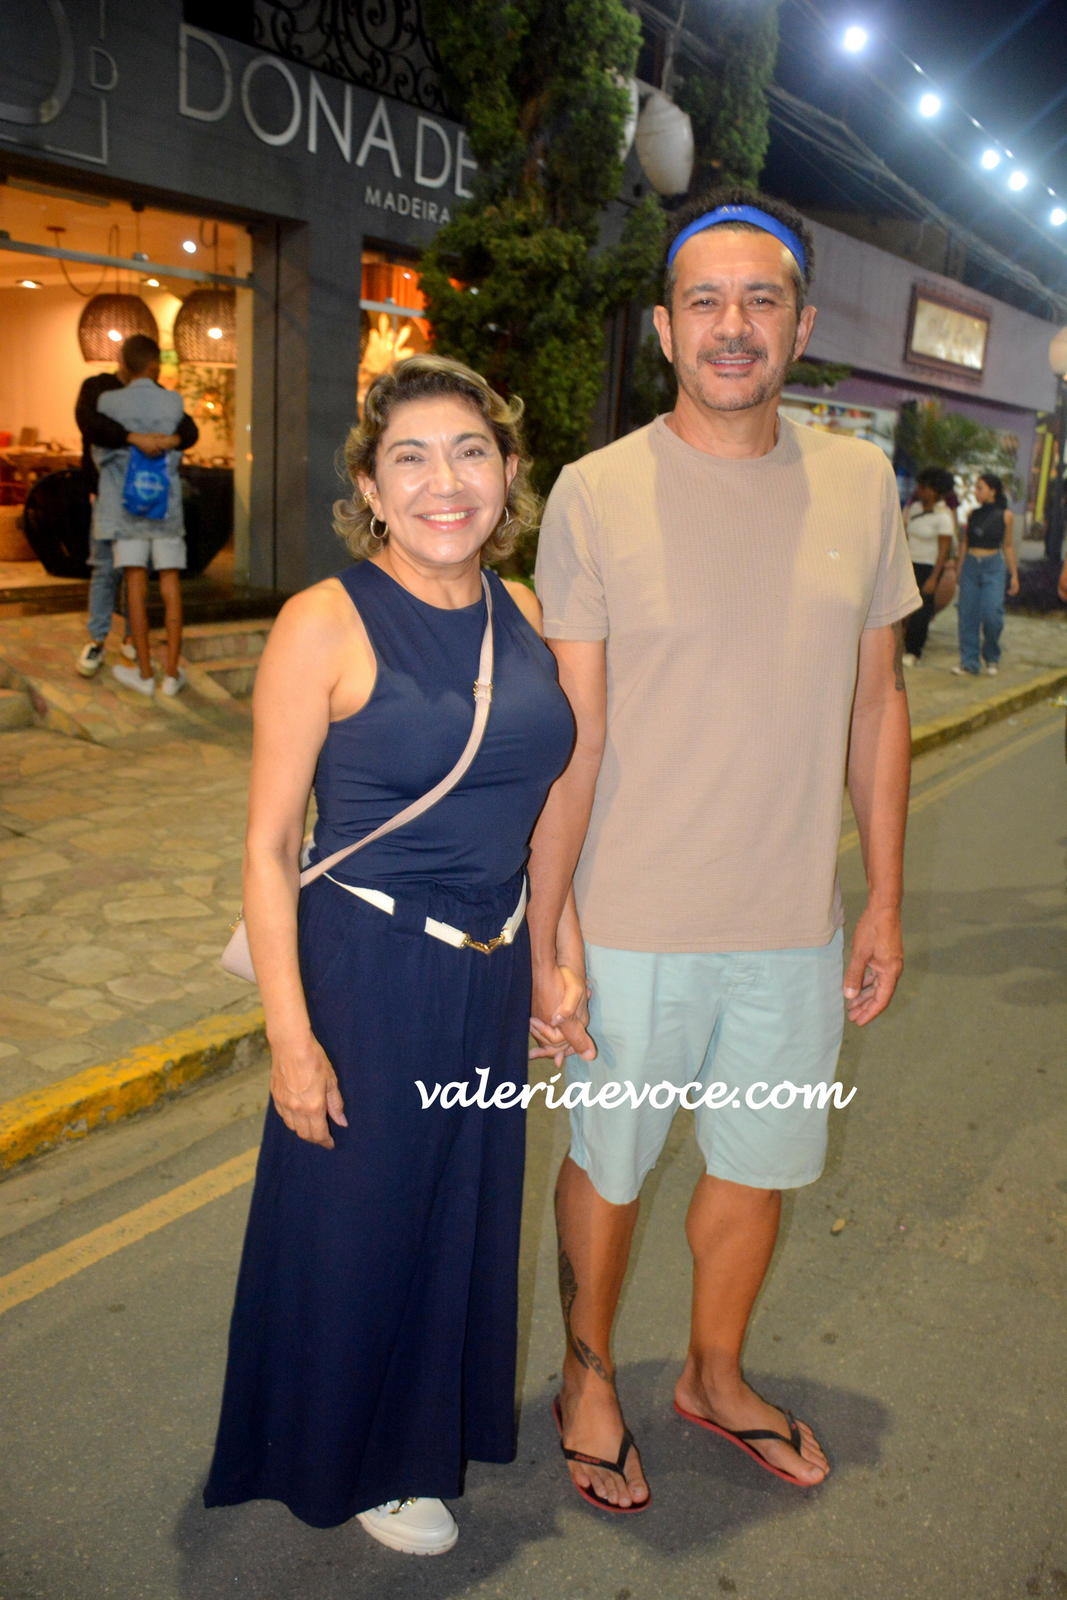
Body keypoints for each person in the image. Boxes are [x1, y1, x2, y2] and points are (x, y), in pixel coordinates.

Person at [528, 186, 920, 1511]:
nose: (732, 324)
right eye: (704, 301)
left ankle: (710, 1373)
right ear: (663, 327)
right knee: (610, 1165)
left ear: (800, 326)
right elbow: (571, 731)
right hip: (628, 921)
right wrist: (552, 928)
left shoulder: (859, 484)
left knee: (757, 1171)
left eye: (761, 299)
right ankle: (587, 1377)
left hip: (792, 924)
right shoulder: (593, 492)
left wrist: (881, 901)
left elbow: (876, 704)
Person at [203, 355, 576, 1555]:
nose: (442, 482)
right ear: (368, 485)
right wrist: (290, 1036)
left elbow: (531, 806)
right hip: (368, 971)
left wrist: (550, 954)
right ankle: (348, 1457)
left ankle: (420, 1434)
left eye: (468, 452)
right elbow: (270, 846)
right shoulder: (324, 620)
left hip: (489, 966)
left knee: (460, 1210)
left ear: (507, 472)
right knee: (359, 1223)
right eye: (408, 458)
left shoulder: (521, 610)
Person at [74, 357, 197, 678]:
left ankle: (133, 640)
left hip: (150, 503)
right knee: (106, 568)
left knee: (137, 573)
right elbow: (89, 424)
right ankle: (98, 640)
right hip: (112, 497)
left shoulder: (158, 397)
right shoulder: (99, 388)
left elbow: (188, 429)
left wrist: (172, 440)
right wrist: (135, 437)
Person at [952, 471, 1019, 677]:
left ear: (992, 491)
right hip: (971, 565)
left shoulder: (1006, 516)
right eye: (976, 487)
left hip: (993, 566)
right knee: (967, 614)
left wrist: (1014, 575)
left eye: (980, 487)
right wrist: (959, 568)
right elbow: (965, 543)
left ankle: (991, 655)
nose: (976, 491)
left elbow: (1008, 546)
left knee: (993, 614)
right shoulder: (972, 514)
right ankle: (969, 661)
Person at [901, 467, 956, 666]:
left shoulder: (943, 516)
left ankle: (914, 650)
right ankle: (900, 643)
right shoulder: (914, 509)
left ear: (933, 491)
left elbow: (944, 550)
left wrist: (934, 577)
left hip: (929, 567)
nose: (919, 490)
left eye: (923, 487)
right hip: (909, 564)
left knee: (921, 610)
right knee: (902, 607)